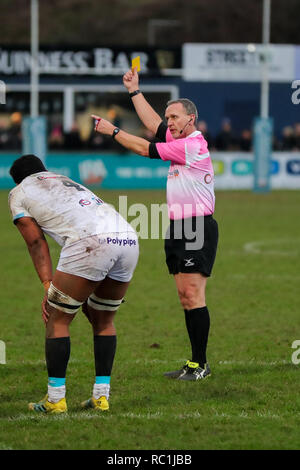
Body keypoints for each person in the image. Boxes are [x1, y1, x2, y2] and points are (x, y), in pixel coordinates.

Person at [91, 67, 218, 381]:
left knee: (193, 295)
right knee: (185, 297)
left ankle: (200, 365)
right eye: (168, 117)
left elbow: (144, 147)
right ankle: (194, 363)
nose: (169, 123)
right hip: (178, 227)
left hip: (197, 227)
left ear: (191, 119)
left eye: (174, 117)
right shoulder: (179, 139)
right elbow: (153, 126)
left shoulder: (192, 145)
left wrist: (114, 131)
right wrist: (134, 91)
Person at [8, 154, 139, 413]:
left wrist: (48, 284)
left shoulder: (18, 192)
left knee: (57, 318)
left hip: (90, 241)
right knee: (103, 319)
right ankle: (101, 396)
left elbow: (35, 242)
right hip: (128, 238)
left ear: (17, 179)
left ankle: (55, 399)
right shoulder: (63, 179)